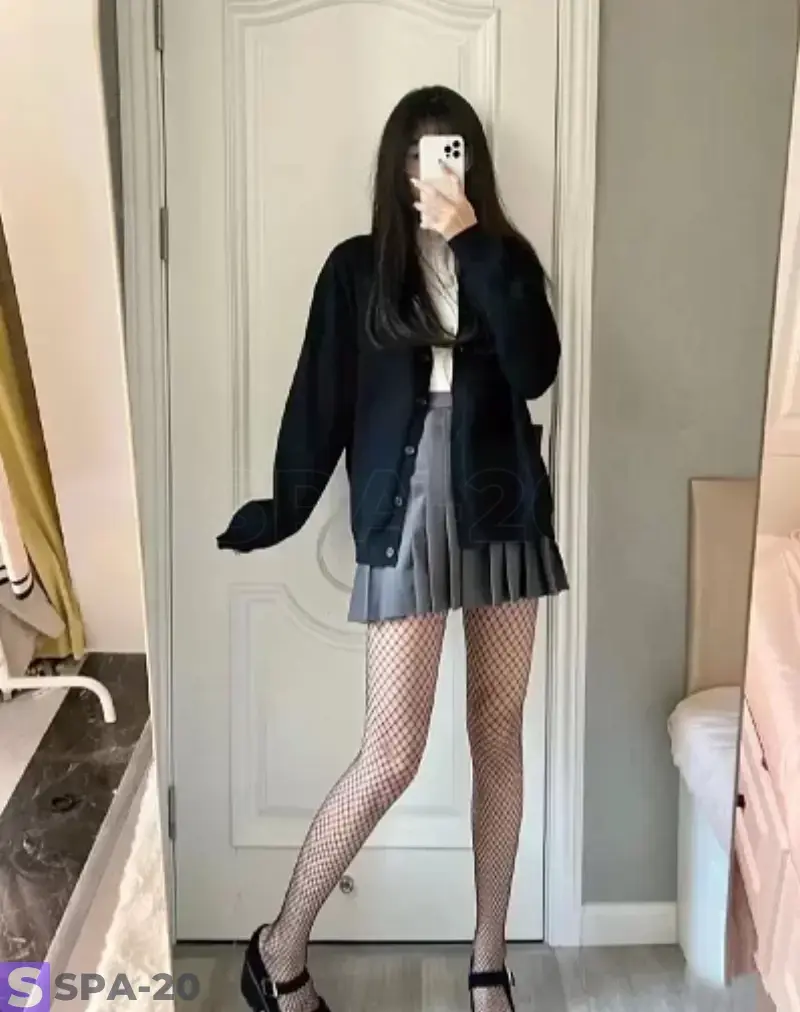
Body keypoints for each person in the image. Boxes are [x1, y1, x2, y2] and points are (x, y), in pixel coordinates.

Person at [218, 84, 568, 1012]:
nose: (432, 168)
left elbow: (536, 369)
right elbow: (320, 400)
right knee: (391, 754)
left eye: (450, 150)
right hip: (405, 515)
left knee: (498, 734)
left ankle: (488, 964)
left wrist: (474, 242)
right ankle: (278, 947)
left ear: (470, 162)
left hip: (502, 509)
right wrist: (283, 506)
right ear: (396, 166)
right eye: (418, 152)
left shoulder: (506, 259)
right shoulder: (355, 270)